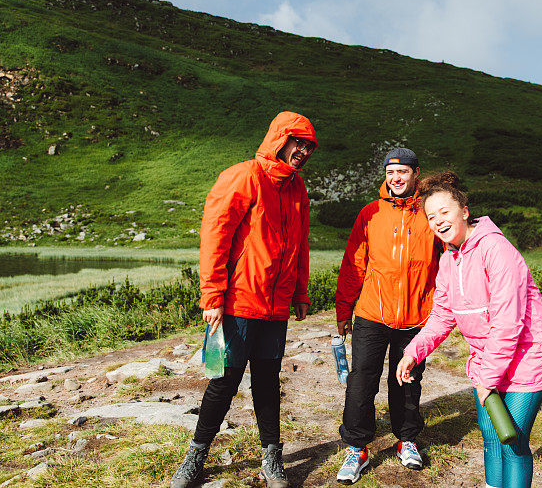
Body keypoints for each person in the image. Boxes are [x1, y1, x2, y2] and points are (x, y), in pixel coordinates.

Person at [170, 111, 317, 488]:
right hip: (238, 303)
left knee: (267, 381)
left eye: (308, 146)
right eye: (297, 142)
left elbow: (300, 246)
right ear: (280, 139)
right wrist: (212, 295)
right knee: (223, 380)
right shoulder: (243, 176)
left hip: (276, 307)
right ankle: (196, 457)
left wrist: (300, 292)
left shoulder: (298, 189)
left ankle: (272, 459)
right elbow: (215, 238)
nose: (302, 151)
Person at [396, 171, 542, 488]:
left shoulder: (495, 250)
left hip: (527, 359)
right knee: (491, 438)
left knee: (513, 441)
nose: (438, 221)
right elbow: (443, 316)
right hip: (488, 362)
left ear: (464, 211)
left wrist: (488, 379)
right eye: (431, 216)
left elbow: (507, 324)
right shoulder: (448, 260)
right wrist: (413, 352)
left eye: (445, 211)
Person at [334, 147, 442, 484]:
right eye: (390, 171)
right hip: (371, 313)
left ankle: (406, 439)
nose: (395, 178)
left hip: (416, 316)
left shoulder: (430, 213)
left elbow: (448, 262)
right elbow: (354, 264)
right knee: (361, 381)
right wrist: (343, 307)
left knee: (407, 382)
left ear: (415, 173)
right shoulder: (370, 213)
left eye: (403, 171)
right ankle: (357, 448)